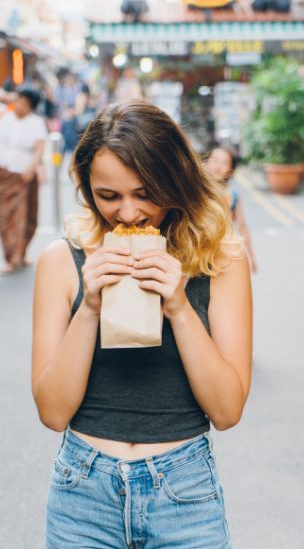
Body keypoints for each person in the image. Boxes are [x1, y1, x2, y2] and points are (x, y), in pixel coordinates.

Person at [32, 102, 252, 547]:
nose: (128, 214)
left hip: (184, 489)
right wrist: (90, 305)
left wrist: (179, 306)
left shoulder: (221, 260)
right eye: (108, 196)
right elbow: (53, 413)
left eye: (145, 193)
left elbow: (227, 411)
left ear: (176, 183)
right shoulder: (61, 261)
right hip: (82, 492)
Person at [0, 86, 48, 274]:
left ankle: (19, 254)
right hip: (1, 173)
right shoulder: (2, 115)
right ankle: (11, 257)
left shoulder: (36, 122)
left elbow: (40, 147)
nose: (19, 104)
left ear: (31, 106)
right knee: (4, 217)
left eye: (24, 101)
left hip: (24, 176)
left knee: (25, 216)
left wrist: (33, 168)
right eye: (18, 99)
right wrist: (7, 96)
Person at [206, 146, 257, 273]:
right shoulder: (199, 192)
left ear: (231, 171)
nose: (218, 166)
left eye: (224, 163)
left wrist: (251, 257)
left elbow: (242, 227)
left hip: (222, 254)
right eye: (215, 160)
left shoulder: (233, 197)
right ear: (206, 162)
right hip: (199, 252)